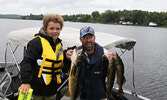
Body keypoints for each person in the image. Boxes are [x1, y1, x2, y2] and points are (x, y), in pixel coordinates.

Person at [18, 13, 71, 100]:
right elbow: (27, 62)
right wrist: (25, 82)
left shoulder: (58, 44)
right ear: (45, 28)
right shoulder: (36, 43)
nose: (55, 31)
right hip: (35, 92)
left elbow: (62, 66)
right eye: (51, 28)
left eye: (58, 29)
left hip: (52, 92)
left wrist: (67, 58)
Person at [67, 26, 107, 100]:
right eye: (85, 38)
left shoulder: (103, 55)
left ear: (94, 38)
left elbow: (109, 73)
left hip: (99, 96)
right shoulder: (76, 53)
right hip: (82, 96)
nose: (88, 40)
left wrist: (112, 61)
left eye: (90, 37)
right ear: (80, 39)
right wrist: (65, 55)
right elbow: (64, 66)